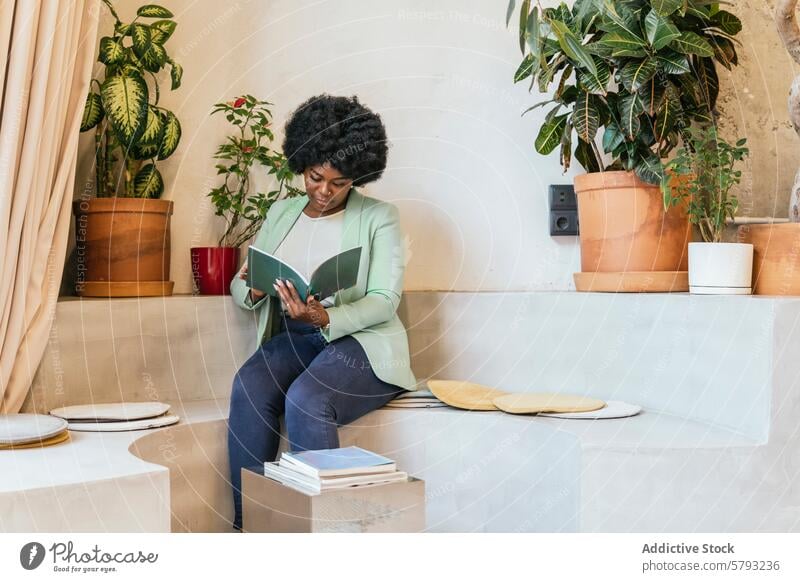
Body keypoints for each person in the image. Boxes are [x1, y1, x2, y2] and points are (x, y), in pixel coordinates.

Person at [226, 94, 418, 532]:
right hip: (297, 337)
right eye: (316, 177)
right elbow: (242, 282)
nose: (325, 191)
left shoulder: (379, 217)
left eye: (340, 182)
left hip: (359, 344)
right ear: (303, 163)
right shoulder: (281, 213)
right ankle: (250, 528)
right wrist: (254, 289)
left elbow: (384, 299)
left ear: (358, 178)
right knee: (249, 387)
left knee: (307, 402)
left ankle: (333, 543)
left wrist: (325, 318)